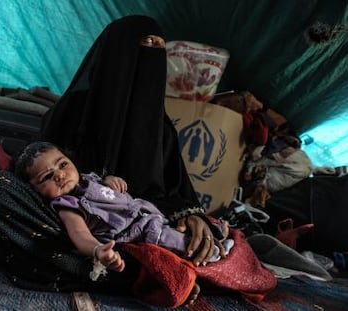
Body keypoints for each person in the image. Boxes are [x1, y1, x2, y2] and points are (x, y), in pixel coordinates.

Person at [41, 15, 225, 267]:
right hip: (76, 215)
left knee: (213, 237)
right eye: (145, 44)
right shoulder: (73, 110)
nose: (151, 57)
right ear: (116, 52)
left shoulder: (161, 128)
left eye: (158, 48)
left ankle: (140, 266)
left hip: (143, 221)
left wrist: (190, 215)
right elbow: (43, 172)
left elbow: (174, 189)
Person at [14, 141, 232, 277]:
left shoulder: (89, 179)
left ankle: (219, 236)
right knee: (169, 239)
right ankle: (206, 255)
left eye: (62, 165)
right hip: (136, 234)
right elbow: (79, 234)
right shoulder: (67, 206)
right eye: (47, 177)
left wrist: (110, 180)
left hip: (146, 214)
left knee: (178, 225)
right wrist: (98, 250)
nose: (60, 175)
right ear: (35, 191)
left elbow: (107, 191)